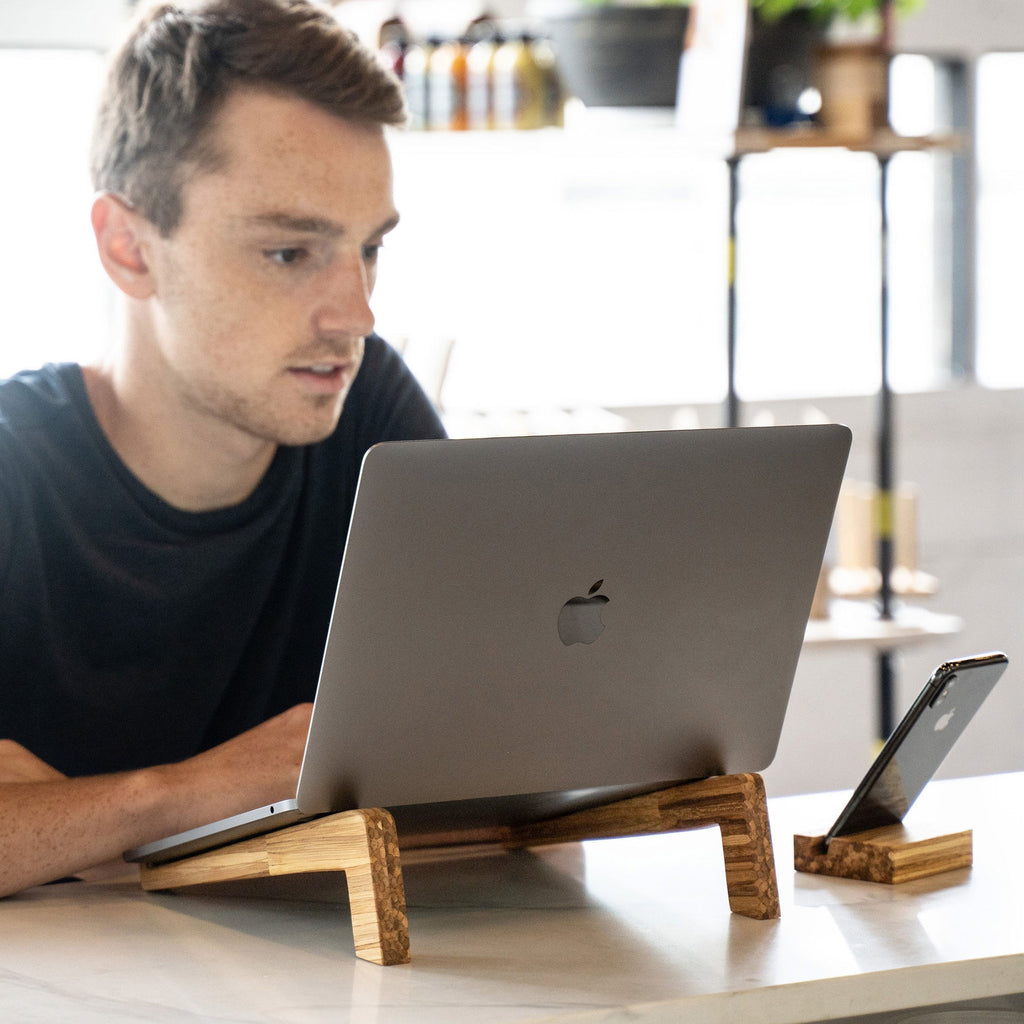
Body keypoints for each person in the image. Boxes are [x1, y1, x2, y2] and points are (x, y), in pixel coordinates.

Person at [0, 0, 446, 896]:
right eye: (289, 253)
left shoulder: (370, 416)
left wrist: (81, 832)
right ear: (129, 248)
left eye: (368, 250)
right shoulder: (14, 469)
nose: (355, 317)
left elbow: (528, 816)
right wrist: (201, 792)